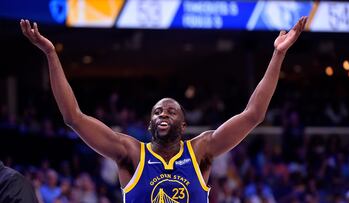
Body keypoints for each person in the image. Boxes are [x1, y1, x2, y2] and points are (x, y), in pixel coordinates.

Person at [20, 16, 307, 202]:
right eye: (157, 112)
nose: (163, 114)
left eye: (171, 111)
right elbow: (73, 117)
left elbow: (253, 115)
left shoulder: (201, 151)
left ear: (184, 126)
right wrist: (50, 54)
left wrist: (278, 54)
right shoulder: (130, 153)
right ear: (149, 124)